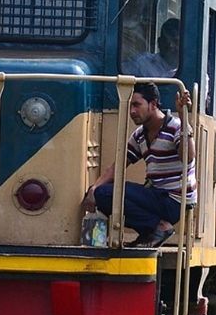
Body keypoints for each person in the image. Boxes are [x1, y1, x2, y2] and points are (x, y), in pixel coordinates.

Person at [82, 82, 195, 248]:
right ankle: (150, 232)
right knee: (102, 194)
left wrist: (185, 119)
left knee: (107, 193)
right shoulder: (140, 135)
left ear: (153, 104)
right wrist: (93, 189)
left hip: (174, 200)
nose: (132, 111)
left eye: (137, 105)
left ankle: (159, 227)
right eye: (130, 106)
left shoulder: (176, 126)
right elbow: (118, 166)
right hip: (156, 195)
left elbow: (188, 157)